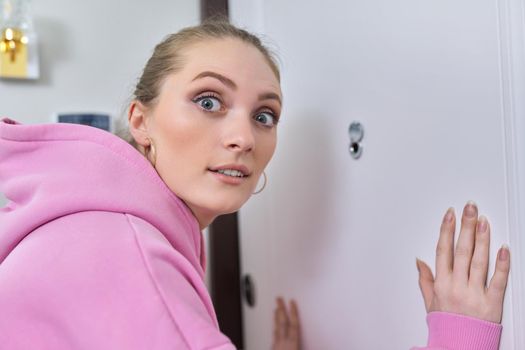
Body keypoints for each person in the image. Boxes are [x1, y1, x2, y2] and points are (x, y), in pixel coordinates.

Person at [0, 20, 510, 350]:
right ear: (141, 121)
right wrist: (460, 337)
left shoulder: (108, 226)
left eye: (264, 115)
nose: (244, 137)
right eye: (208, 101)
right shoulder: (126, 251)